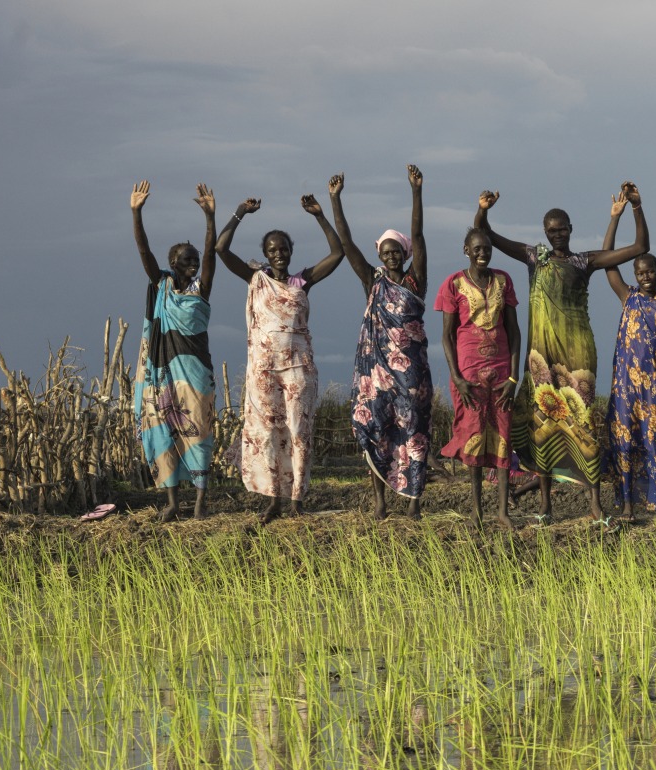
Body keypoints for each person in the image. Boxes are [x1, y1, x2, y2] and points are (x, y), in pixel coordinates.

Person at [474, 184, 650, 523]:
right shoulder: (533, 257)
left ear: (570, 229)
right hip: (541, 357)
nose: (557, 235)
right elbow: (487, 236)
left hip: (578, 355)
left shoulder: (584, 261)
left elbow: (640, 246)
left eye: (562, 229)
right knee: (543, 427)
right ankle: (545, 507)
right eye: (551, 231)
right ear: (545, 232)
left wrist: (636, 208)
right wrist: (483, 209)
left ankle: (595, 506)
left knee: (584, 424)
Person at [213, 191, 345, 524]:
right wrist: (240, 211)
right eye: (272, 250)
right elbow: (220, 249)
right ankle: (273, 501)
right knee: (268, 433)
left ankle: (297, 500)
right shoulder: (256, 278)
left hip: (299, 369)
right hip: (263, 371)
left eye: (283, 248)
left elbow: (338, 252)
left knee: (299, 431)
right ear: (266, 254)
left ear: (290, 252)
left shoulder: (302, 281)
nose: (279, 254)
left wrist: (319, 215)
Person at [332, 168, 432, 520]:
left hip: (411, 374)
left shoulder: (414, 280)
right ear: (380, 255)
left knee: (413, 433)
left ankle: (414, 504)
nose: (391, 257)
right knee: (375, 431)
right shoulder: (371, 282)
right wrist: (335, 201)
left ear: (403, 253)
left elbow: (418, 234)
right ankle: (380, 503)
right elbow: (347, 245)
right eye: (385, 252)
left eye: (396, 252)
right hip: (375, 373)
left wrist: (416, 191)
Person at [128, 181, 219, 522]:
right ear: (172, 264)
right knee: (164, 432)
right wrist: (136, 213)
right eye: (186, 261)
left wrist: (211, 218)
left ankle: (199, 502)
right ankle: (172, 503)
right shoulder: (161, 284)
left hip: (195, 375)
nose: (193, 264)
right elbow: (144, 253)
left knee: (199, 432)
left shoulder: (202, 289)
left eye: (194, 260)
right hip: (163, 373)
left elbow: (210, 254)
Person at [600, 186, 656, 522]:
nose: (645, 277)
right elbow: (607, 262)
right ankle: (627, 507)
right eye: (640, 273)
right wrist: (615, 219)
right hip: (625, 389)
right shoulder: (628, 296)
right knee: (624, 446)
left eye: (651, 272)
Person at [435, 226, 520, 530]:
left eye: (487, 248)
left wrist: (514, 377)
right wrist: (456, 377)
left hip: (501, 369)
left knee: (502, 435)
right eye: (477, 249)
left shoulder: (503, 280)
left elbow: (514, 330)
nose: (483, 253)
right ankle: (476, 510)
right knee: (473, 435)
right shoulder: (454, 284)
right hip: (468, 371)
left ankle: (502, 511)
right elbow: (445, 336)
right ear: (466, 250)